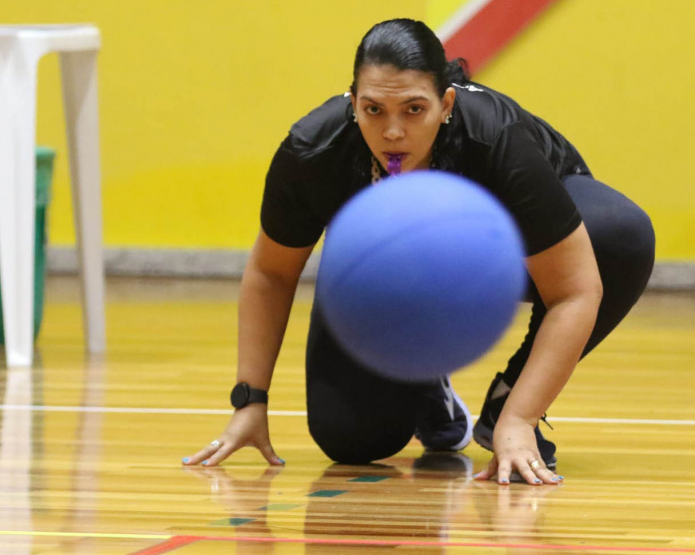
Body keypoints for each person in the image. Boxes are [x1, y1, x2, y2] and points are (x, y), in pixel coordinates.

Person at [182, 18, 655, 485]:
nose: (392, 132)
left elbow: (576, 290)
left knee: (620, 237)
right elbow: (271, 274)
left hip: (512, 248)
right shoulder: (313, 151)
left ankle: (504, 401)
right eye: (373, 110)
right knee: (352, 440)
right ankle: (427, 382)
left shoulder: (495, 139)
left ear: (446, 103)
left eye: (413, 110)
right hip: (391, 268)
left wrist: (520, 418)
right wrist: (250, 401)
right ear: (352, 103)